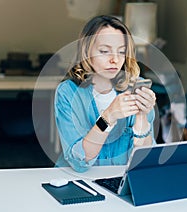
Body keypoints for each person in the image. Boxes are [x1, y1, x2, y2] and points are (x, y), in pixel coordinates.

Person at [54, 15, 156, 172]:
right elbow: (79, 162)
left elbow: (145, 159)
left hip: (120, 181)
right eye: (104, 51)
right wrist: (108, 117)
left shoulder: (137, 87)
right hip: (78, 180)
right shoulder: (67, 92)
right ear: (86, 51)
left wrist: (141, 117)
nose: (115, 59)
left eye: (121, 52)